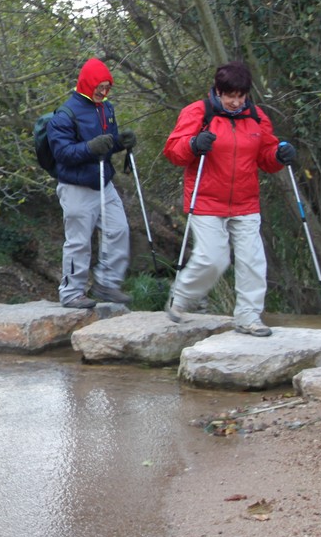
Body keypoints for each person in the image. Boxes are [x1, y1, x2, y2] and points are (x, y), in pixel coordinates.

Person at [162, 61, 295, 336]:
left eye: (240, 96)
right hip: (207, 200)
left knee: (253, 262)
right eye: (229, 95)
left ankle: (249, 317)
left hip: (246, 203)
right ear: (218, 91)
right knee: (213, 258)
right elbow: (173, 151)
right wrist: (193, 144)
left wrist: (279, 155)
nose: (235, 102)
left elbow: (266, 156)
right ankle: (181, 297)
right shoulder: (198, 113)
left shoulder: (257, 117)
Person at [46, 58, 135, 308]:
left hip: (103, 182)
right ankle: (71, 293)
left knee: (119, 230)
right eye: (99, 87)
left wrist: (120, 143)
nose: (103, 92)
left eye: (107, 87)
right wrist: (89, 148)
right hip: (76, 187)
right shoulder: (64, 115)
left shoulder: (106, 108)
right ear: (87, 84)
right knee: (79, 242)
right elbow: (62, 153)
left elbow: (107, 144)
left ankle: (106, 283)